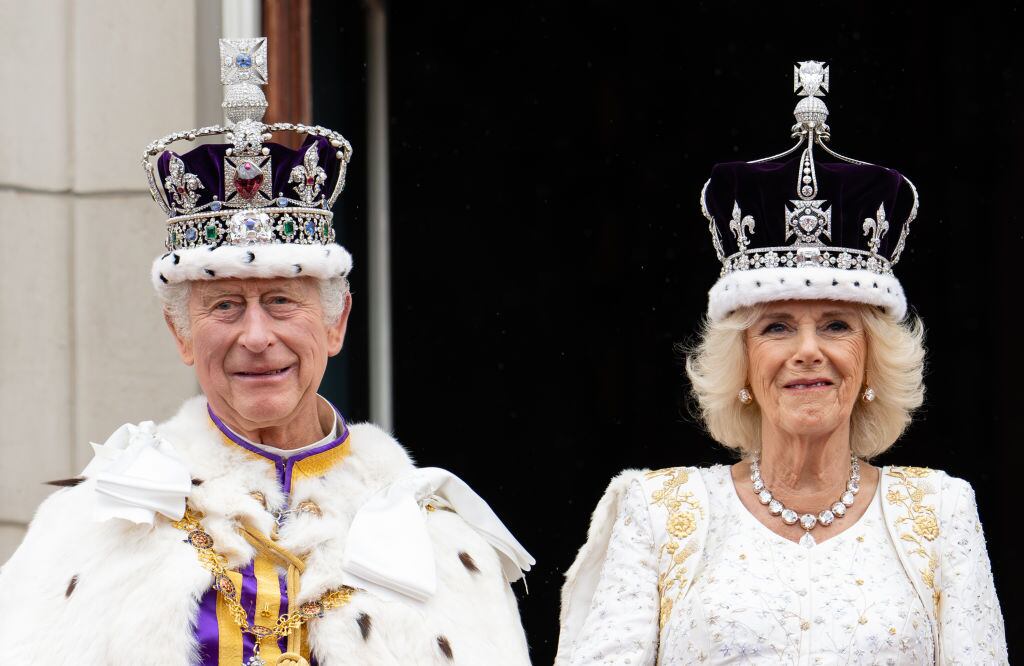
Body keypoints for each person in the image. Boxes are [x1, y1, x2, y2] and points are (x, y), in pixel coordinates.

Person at [0, 38, 533, 666]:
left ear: (336, 324)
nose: (255, 336)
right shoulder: (92, 523)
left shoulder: (439, 536)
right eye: (224, 306)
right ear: (181, 334)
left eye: (282, 301)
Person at [555, 61, 1007, 665]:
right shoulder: (660, 514)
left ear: (872, 359)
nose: (807, 350)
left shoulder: (942, 513)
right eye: (776, 327)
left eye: (837, 325)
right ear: (741, 362)